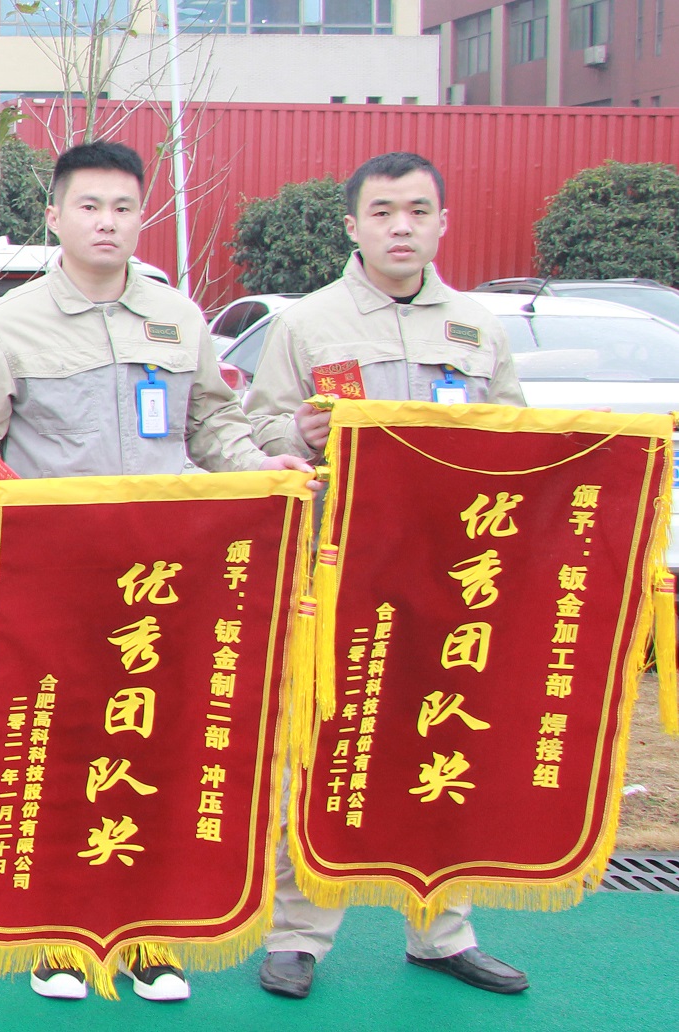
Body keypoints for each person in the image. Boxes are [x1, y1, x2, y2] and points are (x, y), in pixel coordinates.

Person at [0, 140, 316, 1002]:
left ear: (141, 216)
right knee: (58, 747)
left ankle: (151, 934)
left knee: (159, 745)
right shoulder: (12, 322)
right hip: (57, 583)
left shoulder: (178, 317)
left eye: (121, 207)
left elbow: (212, 427)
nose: (105, 222)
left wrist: (262, 466)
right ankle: (57, 934)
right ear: (55, 217)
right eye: (88, 206)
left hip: (167, 582)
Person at [239, 152, 527, 999]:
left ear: (443, 222)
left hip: (455, 579)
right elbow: (256, 433)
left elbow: (518, 439)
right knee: (322, 748)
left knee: (444, 744)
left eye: (418, 211)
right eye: (384, 212)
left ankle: (442, 931)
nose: (402, 227)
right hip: (342, 575)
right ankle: (298, 935)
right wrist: (296, 439)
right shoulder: (308, 325)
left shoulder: (477, 329)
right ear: (353, 225)